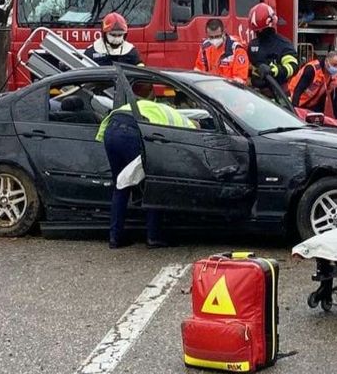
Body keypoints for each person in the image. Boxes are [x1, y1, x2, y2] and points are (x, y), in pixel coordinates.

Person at [95, 82, 195, 249]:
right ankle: (154, 236)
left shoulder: (137, 106)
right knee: (153, 184)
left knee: (121, 185)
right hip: (132, 132)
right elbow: (189, 138)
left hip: (111, 130)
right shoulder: (180, 119)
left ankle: (115, 238)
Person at [247, 3, 299, 87]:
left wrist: (273, 70)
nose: (259, 33)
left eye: (261, 30)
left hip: (277, 94)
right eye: (257, 31)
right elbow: (248, 67)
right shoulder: (252, 45)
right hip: (255, 94)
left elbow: (293, 66)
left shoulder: (283, 45)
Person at [193, 19, 249, 84]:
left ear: (223, 33)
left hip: (229, 90)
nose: (214, 40)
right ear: (207, 35)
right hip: (209, 88)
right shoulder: (205, 47)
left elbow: (239, 80)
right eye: (211, 37)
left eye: (217, 36)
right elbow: (198, 70)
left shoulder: (236, 50)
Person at [287, 51, 337, 116]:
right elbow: (298, 91)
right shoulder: (312, 69)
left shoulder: (333, 77)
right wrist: (295, 111)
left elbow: (335, 99)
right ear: (327, 61)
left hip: (311, 106)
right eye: (334, 65)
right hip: (293, 101)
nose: (336, 68)